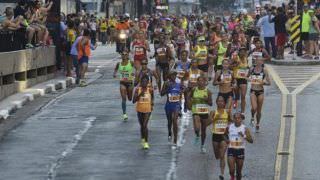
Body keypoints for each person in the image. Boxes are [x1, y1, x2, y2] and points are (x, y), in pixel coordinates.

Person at [207, 96, 232, 180]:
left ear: (224, 103)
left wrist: (228, 127)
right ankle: (221, 170)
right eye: (219, 101)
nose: (220, 102)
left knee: (222, 156)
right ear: (216, 102)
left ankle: (222, 174)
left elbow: (231, 121)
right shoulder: (213, 112)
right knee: (217, 155)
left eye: (222, 101)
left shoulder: (227, 112)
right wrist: (214, 119)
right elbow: (207, 123)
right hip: (215, 135)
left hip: (224, 136)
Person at [188, 76, 213, 153]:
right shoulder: (194, 90)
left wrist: (207, 100)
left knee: (204, 130)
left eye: (202, 81)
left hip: (204, 112)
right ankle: (197, 134)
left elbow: (211, 103)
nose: (200, 82)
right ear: (197, 82)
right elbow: (189, 97)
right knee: (197, 127)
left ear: (205, 82)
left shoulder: (208, 91)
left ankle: (202, 145)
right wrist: (189, 104)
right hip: (196, 111)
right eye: (199, 81)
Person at [226, 113, 253, 180]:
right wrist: (226, 140)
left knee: (238, 171)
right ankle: (232, 177)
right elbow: (224, 134)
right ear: (233, 119)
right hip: (231, 149)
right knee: (231, 170)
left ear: (241, 119)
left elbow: (251, 141)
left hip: (240, 150)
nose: (237, 119)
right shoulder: (229, 127)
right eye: (235, 118)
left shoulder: (245, 128)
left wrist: (243, 135)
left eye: (239, 118)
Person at [161, 71, 184, 149]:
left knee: (175, 121)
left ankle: (175, 140)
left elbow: (184, 89)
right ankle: (170, 132)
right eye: (172, 75)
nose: (174, 77)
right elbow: (161, 93)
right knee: (170, 121)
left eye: (175, 75)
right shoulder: (166, 83)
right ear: (169, 76)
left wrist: (182, 91)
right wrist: (167, 89)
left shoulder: (179, 84)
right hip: (168, 105)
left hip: (176, 105)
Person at [249, 58, 271, 132]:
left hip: (261, 91)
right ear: (255, 61)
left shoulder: (264, 70)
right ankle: (252, 117)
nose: (259, 62)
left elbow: (269, 83)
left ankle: (258, 124)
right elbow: (246, 77)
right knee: (254, 108)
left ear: (262, 62)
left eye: (260, 61)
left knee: (259, 110)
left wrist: (263, 83)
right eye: (257, 60)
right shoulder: (252, 69)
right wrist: (249, 79)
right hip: (253, 91)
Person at [133, 75, 154, 149]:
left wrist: (152, 105)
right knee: (142, 126)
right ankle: (142, 138)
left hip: (148, 110)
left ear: (148, 82)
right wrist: (139, 95)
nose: (144, 83)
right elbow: (133, 101)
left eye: (146, 82)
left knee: (145, 125)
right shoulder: (137, 90)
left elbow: (152, 97)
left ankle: (146, 142)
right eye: (143, 82)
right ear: (141, 82)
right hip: (139, 110)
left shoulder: (150, 90)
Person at [113, 50, 135, 121]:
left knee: (130, 98)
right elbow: (115, 70)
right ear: (121, 55)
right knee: (123, 98)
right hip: (122, 83)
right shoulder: (118, 63)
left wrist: (134, 74)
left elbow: (137, 69)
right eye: (123, 54)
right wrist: (114, 74)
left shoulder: (131, 63)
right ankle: (124, 114)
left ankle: (130, 96)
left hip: (130, 83)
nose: (124, 56)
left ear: (128, 55)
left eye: (126, 54)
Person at [231, 47, 249, 114]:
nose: (243, 53)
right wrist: (235, 64)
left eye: (244, 52)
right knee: (237, 95)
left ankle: (242, 112)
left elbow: (247, 68)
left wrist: (247, 76)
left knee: (243, 96)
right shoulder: (236, 58)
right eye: (241, 51)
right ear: (239, 52)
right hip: (236, 79)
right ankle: (235, 100)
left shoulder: (246, 59)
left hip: (243, 79)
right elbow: (229, 65)